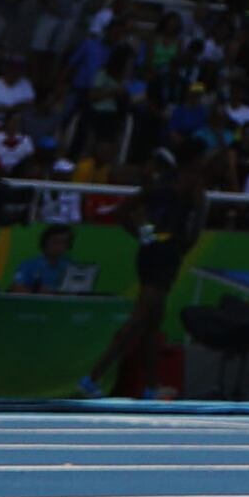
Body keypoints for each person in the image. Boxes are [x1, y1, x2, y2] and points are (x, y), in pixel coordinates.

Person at [81, 143, 215, 404]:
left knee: (153, 323)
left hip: (149, 251)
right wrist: (178, 249)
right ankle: (92, 377)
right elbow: (196, 228)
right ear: (197, 160)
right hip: (166, 253)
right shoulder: (193, 185)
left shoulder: (158, 184)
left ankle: (152, 387)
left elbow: (121, 213)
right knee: (141, 318)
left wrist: (144, 237)